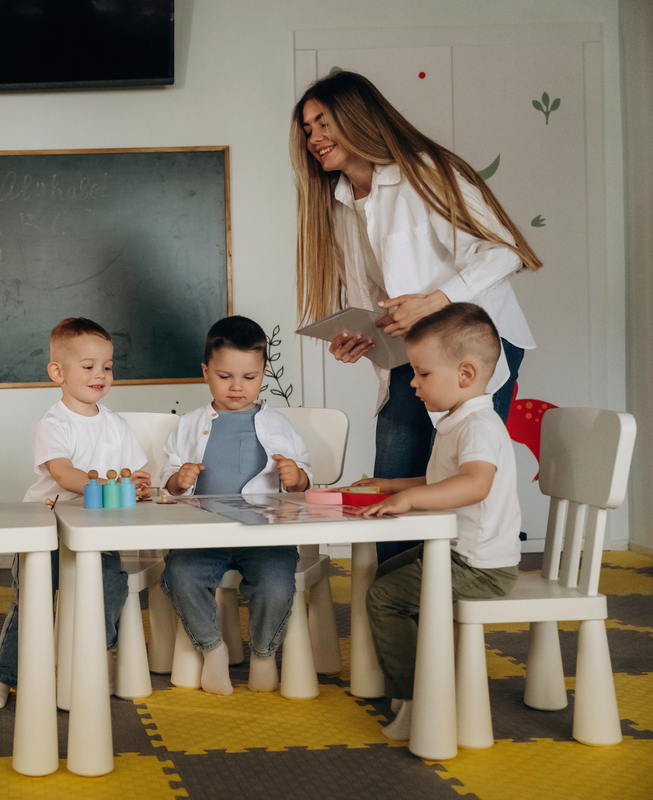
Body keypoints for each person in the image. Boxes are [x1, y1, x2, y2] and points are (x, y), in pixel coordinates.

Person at [291, 70, 538, 564]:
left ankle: (463, 592)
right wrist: (359, 335)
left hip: (471, 344)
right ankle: (401, 608)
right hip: (409, 352)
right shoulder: (339, 205)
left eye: (322, 122)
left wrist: (438, 299)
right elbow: (381, 302)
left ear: (358, 118)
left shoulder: (426, 171)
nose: (314, 137)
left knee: (464, 470)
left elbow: (505, 251)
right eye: (307, 130)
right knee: (395, 475)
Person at [359, 303, 521, 741]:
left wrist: (411, 499)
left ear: (465, 374)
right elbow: (442, 479)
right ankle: (424, 672)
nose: (413, 383)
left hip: (479, 566)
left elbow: (474, 484)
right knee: (389, 573)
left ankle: (420, 696)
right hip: (462, 554)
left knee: (385, 598)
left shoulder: (479, 427)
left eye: (422, 373)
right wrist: (394, 484)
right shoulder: (458, 420)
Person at [0, 317, 151, 708]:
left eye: (107, 366)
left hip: (97, 533)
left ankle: (92, 660)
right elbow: (63, 473)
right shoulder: (53, 423)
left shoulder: (117, 425)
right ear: (58, 372)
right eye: (88, 367)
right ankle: (3, 677)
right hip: (46, 530)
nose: (100, 375)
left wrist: (137, 484)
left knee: (109, 589)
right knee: (34, 605)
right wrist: (106, 484)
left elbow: (131, 474)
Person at [159, 315, 312, 695]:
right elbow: (169, 476)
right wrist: (178, 480)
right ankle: (212, 649)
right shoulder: (190, 424)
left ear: (263, 374)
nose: (237, 387)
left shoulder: (277, 425)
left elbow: (304, 476)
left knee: (277, 584)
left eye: (249, 377)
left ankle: (263, 654)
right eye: (225, 376)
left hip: (264, 535)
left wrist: (297, 477)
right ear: (206, 372)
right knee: (179, 574)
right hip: (203, 534)